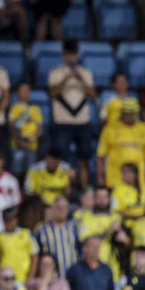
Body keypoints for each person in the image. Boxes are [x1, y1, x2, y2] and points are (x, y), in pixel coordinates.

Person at [46, 40, 95, 184]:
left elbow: (93, 95)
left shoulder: (85, 73)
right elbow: (52, 94)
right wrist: (66, 79)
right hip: (62, 122)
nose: (72, 58)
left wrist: (81, 80)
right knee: (62, 160)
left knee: (84, 159)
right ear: (64, 55)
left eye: (74, 54)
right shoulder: (55, 73)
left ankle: (85, 189)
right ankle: (63, 188)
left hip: (82, 121)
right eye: (69, 55)